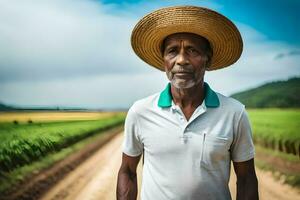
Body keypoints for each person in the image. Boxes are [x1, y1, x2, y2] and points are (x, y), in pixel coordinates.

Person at [117, 6, 258, 200]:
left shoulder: (234, 113)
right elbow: (127, 171)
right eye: (173, 51)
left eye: (192, 50)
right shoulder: (140, 111)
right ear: (164, 60)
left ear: (207, 59)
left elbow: (246, 178)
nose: (182, 60)